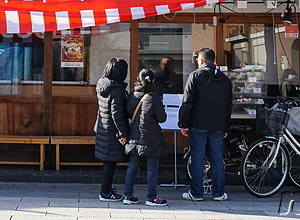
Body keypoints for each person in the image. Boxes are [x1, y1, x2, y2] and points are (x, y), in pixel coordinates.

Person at [178, 47, 232, 202]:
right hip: (217, 124)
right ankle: (219, 193)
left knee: (197, 158)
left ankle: (196, 193)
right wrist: (226, 126)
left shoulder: (195, 76)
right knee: (216, 159)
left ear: (201, 61)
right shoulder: (225, 79)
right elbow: (229, 105)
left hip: (198, 123)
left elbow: (187, 102)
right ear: (214, 61)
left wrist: (183, 123)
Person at [122, 69, 169, 206]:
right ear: (153, 80)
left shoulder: (132, 96)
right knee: (152, 168)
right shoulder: (153, 97)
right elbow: (162, 118)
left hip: (135, 136)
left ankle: (128, 196)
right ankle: (151, 197)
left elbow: (129, 114)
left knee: (132, 167)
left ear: (138, 79)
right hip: (152, 138)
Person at [94, 58, 129, 202]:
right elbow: (117, 114)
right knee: (110, 161)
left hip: (103, 127)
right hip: (112, 130)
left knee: (107, 160)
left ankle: (106, 189)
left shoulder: (102, 84)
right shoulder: (117, 90)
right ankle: (106, 192)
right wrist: (123, 133)